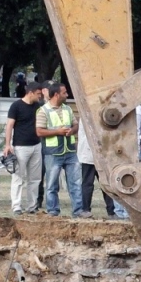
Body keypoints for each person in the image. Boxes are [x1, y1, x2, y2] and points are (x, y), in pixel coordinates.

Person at [36, 82, 90, 218]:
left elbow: (76, 125)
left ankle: (78, 211)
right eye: (64, 93)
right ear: (56, 95)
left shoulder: (68, 109)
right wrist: (58, 132)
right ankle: (53, 211)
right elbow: (39, 131)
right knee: (52, 185)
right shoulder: (43, 110)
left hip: (70, 151)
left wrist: (72, 131)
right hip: (53, 153)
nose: (67, 95)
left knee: (76, 183)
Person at [3, 81, 43, 216]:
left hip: (36, 146)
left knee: (35, 179)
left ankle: (32, 206)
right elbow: (9, 126)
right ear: (30, 92)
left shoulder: (38, 106)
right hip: (20, 147)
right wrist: (8, 145)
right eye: (38, 94)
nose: (40, 97)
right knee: (18, 178)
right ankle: (16, 206)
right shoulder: (16, 106)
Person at [78, 119, 129, 220]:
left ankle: (111, 211)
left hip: (103, 157)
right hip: (89, 155)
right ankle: (85, 210)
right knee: (87, 184)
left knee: (107, 185)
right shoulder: (86, 115)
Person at [36, 79, 55, 210]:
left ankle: (51, 202)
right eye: (51, 89)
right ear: (44, 91)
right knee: (38, 174)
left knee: (51, 174)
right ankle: (38, 200)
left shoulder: (57, 106)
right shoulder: (37, 106)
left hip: (52, 145)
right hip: (38, 144)